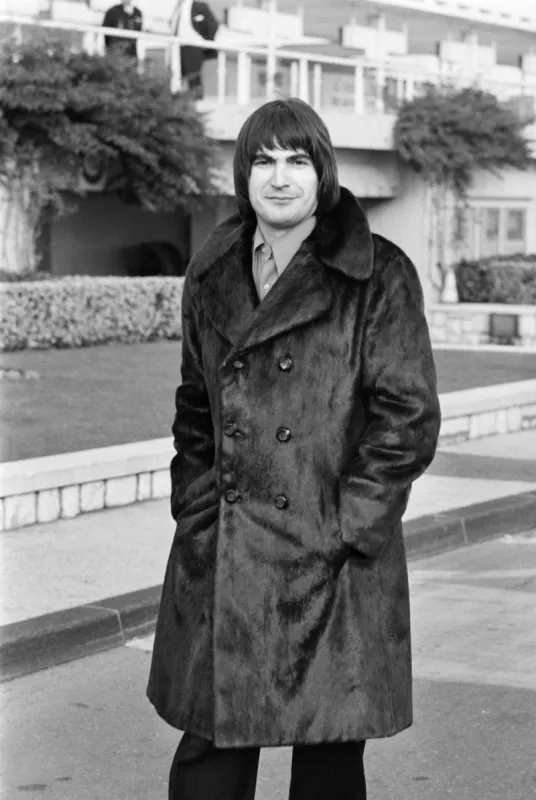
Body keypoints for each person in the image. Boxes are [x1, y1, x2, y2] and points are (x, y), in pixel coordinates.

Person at [147, 97, 442, 800]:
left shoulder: (377, 273)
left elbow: (407, 417)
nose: (280, 178)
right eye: (263, 161)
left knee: (328, 764)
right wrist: (195, 506)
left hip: (332, 563)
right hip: (225, 551)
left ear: (323, 173)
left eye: (297, 161)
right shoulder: (212, 268)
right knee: (208, 758)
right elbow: (195, 405)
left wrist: (352, 523)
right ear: (244, 175)